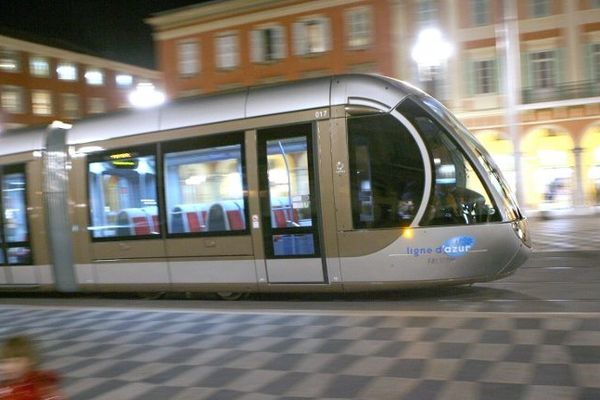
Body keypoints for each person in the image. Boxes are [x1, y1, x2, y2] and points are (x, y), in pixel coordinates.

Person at [0, 335, 64, 400]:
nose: (9, 367)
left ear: (30, 362)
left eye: (16, 361)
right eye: (4, 362)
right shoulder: (6, 385)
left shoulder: (42, 387)